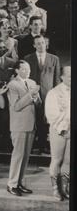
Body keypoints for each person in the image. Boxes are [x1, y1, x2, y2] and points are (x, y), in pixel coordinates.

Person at [6, 60, 40, 197]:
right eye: (24, 69)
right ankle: (11, 184)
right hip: (19, 126)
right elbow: (16, 106)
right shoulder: (12, 85)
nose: (28, 71)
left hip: (31, 124)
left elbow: (38, 103)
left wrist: (36, 98)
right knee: (18, 155)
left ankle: (19, 183)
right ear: (17, 70)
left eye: (29, 69)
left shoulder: (32, 83)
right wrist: (30, 95)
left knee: (25, 157)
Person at [24, 34, 61, 154]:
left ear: (46, 44)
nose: (41, 45)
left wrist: (55, 95)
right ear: (34, 45)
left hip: (48, 94)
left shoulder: (54, 59)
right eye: (38, 43)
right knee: (33, 118)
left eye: (43, 43)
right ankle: (32, 145)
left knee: (45, 119)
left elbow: (56, 79)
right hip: (32, 93)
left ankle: (43, 144)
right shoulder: (27, 58)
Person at [44, 66, 70, 201]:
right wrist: (63, 129)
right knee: (57, 159)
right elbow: (51, 115)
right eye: (69, 75)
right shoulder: (53, 92)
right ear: (62, 77)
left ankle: (64, 188)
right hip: (58, 130)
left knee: (68, 160)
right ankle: (55, 189)